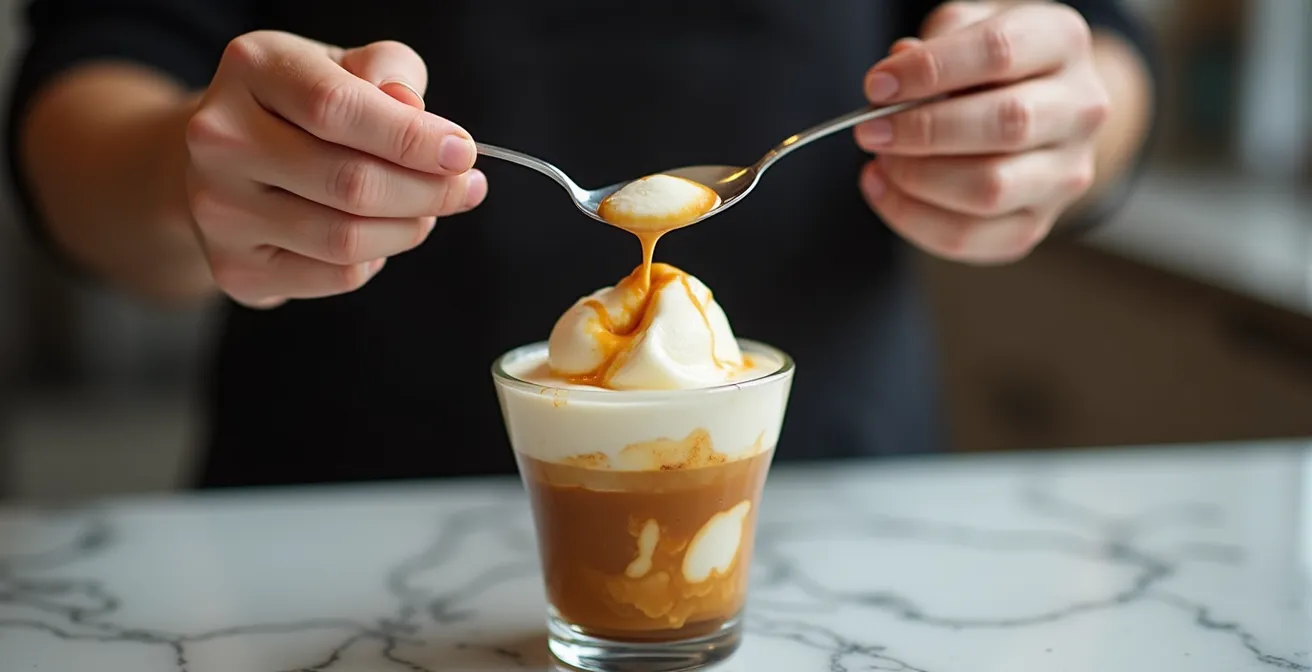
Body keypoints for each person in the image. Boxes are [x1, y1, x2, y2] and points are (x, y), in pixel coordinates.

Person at [5, 1, 1157, 488]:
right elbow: (92, 63)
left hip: (843, 523)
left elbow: (1099, 41)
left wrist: (1044, 118)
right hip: (333, 516)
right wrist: (176, 174)